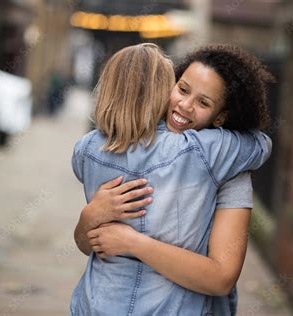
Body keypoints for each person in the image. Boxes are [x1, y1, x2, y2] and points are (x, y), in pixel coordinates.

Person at [70, 43, 272, 316]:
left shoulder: (230, 169)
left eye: (203, 102)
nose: (185, 105)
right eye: (183, 89)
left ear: (220, 117)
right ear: (168, 85)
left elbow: (221, 277)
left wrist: (132, 242)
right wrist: (91, 215)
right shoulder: (215, 153)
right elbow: (88, 245)